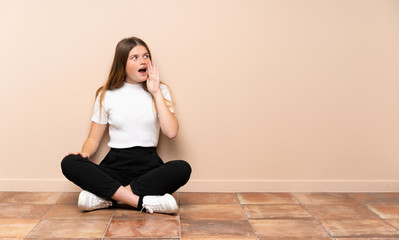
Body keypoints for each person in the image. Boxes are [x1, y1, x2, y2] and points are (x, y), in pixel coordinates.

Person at [61, 37, 191, 214]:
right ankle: (142, 202)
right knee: (69, 162)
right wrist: (84, 153)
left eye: (146, 56)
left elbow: (171, 132)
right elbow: (93, 138)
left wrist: (155, 92)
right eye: (135, 57)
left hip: (149, 166)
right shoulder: (106, 94)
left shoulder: (160, 90)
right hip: (115, 166)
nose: (143, 60)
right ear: (122, 63)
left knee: (182, 168)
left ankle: (105, 198)